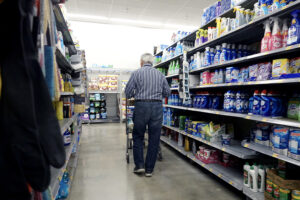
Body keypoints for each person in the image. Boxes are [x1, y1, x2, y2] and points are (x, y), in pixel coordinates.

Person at [125, 53, 171, 177]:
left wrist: (136, 92)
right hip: (156, 107)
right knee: (154, 138)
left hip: (141, 107)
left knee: (138, 136)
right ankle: (149, 169)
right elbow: (167, 93)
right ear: (152, 62)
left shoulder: (136, 73)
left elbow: (128, 93)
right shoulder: (160, 74)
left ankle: (139, 166)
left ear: (141, 62)